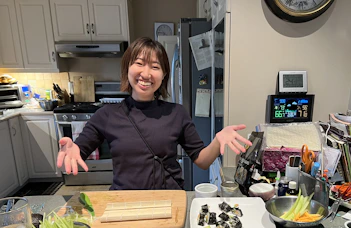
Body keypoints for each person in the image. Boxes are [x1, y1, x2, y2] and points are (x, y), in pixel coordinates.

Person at [57, 37, 252, 190]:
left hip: (168, 201)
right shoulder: (107, 114)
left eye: (155, 67)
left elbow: (201, 160)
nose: (147, 73)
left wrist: (217, 141)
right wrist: (71, 150)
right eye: (140, 63)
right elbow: (78, 151)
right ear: (127, 68)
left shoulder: (176, 113)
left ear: (164, 75)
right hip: (125, 202)